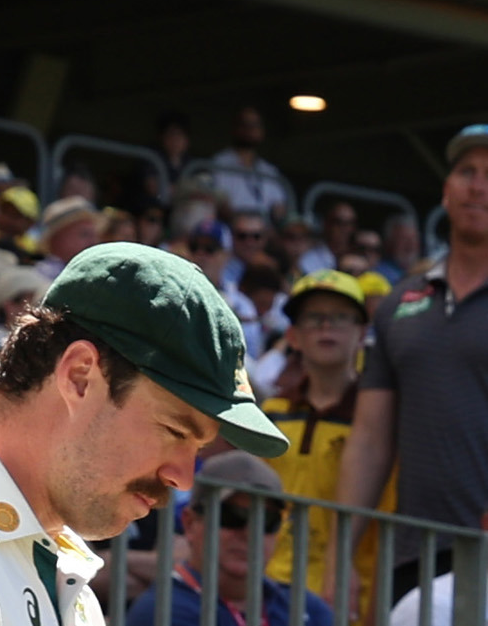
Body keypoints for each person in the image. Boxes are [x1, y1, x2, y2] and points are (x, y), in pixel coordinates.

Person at [0, 242, 290, 626]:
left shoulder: (73, 590)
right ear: (80, 376)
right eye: (173, 430)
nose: (183, 478)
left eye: (199, 447)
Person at [329, 123, 488, 607]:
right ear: (446, 189)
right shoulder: (400, 305)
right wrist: (341, 556)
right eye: (467, 171)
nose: (478, 185)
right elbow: (370, 440)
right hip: (413, 554)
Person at [260, 270, 391, 622]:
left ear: (363, 334)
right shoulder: (273, 413)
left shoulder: (378, 425)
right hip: (270, 588)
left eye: (340, 318)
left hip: (347, 596)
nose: (326, 327)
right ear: (293, 335)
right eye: (314, 318)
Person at [126, 451, 333, 626]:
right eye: (231, 516)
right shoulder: (162, 611)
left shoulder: (308, 609)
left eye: (266, 520)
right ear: (190, 523)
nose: (250, 532)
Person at [209, 106, 289, 223]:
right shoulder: (219, 163)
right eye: (244, 124)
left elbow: (279, 207)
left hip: (264, 231)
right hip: (231, 228)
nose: (249, 129)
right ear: (235, 128)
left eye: (255, 125)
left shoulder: (269, 170)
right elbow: (216, 202)